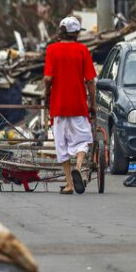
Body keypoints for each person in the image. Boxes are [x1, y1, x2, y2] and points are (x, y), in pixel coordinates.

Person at [44, 15, 97, 195]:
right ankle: (79, 166)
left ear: (61, 32)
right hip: (78, 105)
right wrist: (94, 104)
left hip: (58, 106)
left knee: (62, 145)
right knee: (83, 141)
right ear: (76, 34)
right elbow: (90, 81)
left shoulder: (52, 50)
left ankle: (68, 184)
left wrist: (46, 95)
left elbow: (48, 78)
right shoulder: (83, 50)